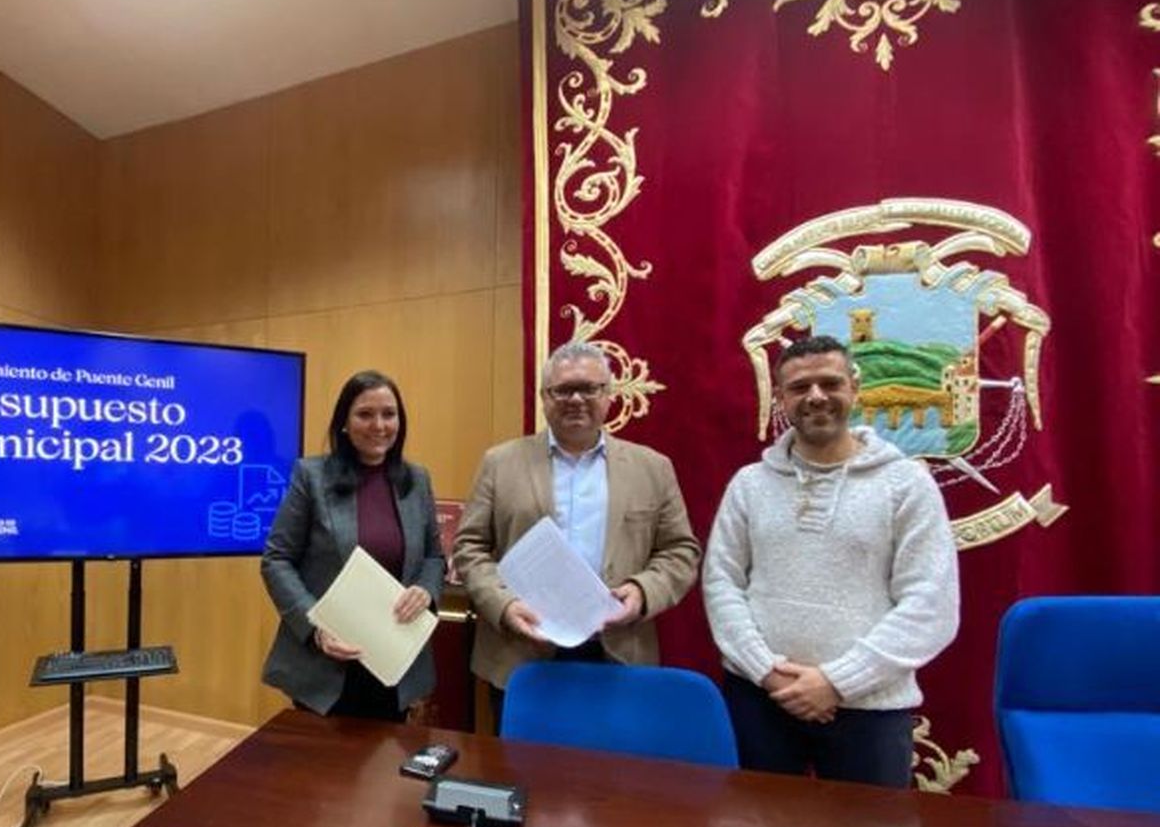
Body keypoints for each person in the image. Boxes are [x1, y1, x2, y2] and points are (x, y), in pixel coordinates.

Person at [703, 334, 960, 787]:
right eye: (800, 387)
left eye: (829, 383)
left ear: (854, 389)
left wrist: (838, 681)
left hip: (869, 710)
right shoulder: (749, 484)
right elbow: (721, 582)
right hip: (760, 701)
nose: (816, 396)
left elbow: (930, 605)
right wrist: (766, 671)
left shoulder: (906, 485)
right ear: (780, 397)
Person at [453, 340, 701, 729]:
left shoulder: (652, 468)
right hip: (522, 650)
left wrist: (641, 591)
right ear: (543, 398)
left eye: (589, 388)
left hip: (618, 651)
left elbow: (680, 551)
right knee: (525, 774)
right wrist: (502, 606)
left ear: (608, 395)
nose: (575, 399)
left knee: (613, 778)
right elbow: (469, 548)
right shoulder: (500, 463)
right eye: (562, 390)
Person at [261, 371, 445, 719]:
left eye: (389, 414)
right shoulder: (311, 476)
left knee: (388, 768)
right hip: (326, 662)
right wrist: (316, 626)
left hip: (394, 660)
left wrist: (426, 588)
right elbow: (277, 559)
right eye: (365, 414)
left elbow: (434, 556)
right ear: (344, 422)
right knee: (322, 770)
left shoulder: (417, 479)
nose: (379, 425)